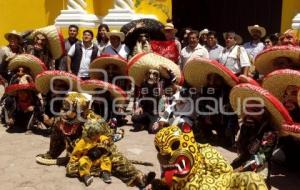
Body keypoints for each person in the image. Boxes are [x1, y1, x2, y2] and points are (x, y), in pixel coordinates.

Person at [67, 119, 113, 186]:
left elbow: (102, 137)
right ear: (90, 134)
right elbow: (76, 154)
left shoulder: (98, 136)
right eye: (96, 135)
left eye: (98, 134)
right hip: (87, 159)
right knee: (83, 161)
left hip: (97, 159)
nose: (98, 136)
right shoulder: (82, 142)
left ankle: (105, 172)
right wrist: (73, 162)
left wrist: (105, 140)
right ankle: (85, 176)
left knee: (106, 158)